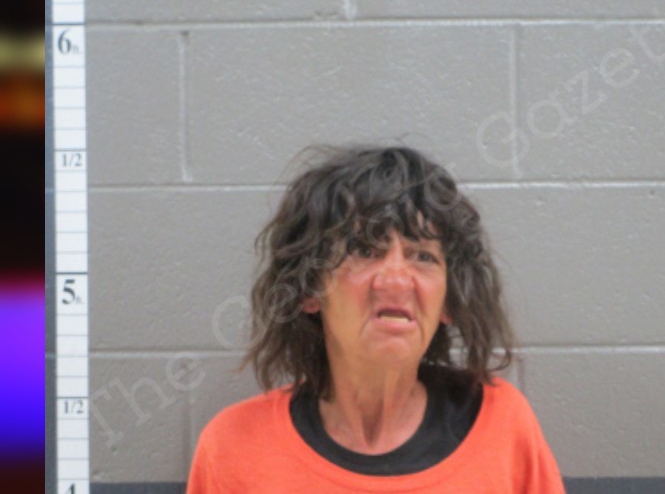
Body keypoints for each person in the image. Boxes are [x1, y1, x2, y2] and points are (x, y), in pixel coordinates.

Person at [187, 146, 564, 493]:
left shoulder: (502, 427)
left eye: (423, 257)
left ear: (448, 301)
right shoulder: (233, 448)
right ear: (309, 289)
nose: (397, 280)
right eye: (365, 251)